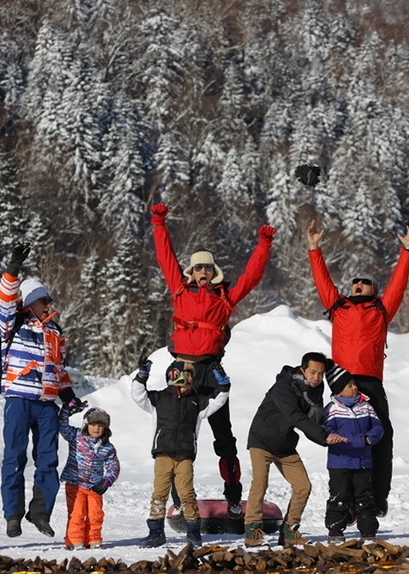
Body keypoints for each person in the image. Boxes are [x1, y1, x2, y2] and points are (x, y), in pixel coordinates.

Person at [149, 203, 275, 517]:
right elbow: (165, 255)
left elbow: (252, 277)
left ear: (213, 272)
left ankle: (233, 497)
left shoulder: (225, 298)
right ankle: (178, 500)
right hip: (182, 369)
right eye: (198, 268)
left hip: (211, 368)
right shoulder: (179, 289)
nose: (203, 272)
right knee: (179, 433)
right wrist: (159, 222)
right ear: (191, 272)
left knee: (224, 436)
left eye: (207, 268)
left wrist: (263, 245)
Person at [306, 218, 409, 516]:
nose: (358, 284)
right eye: (355, 282)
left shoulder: (381, 309)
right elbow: (322, 281)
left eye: (365, 283)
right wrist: (314, 248)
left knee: (382, 437)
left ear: (373, 290)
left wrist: (407, 251)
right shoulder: (338, 306)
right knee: (343, 441)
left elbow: (398, 285)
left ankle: (377, 497)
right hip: (342, 383)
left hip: (370, 383)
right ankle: (346, 501)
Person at [0, 243, 83, 538]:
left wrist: (69, 398)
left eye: (49, 299)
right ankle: (13, 515)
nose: (49, 303)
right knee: (15, 457)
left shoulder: (55, 330)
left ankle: (40, 512)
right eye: (43, 299)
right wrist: (13, 267)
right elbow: (4, 300)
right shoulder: (13, 323)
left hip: (47, 405)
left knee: (48, 460)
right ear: (30, 302)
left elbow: (59, 369)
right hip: (18, 399)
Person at [243, 352, 347, 547]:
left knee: (303, 486)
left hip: (285, 445)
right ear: (302, 370)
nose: (316, 378)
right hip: (262, 440)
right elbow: (295, 417)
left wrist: (327, 437)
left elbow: (312, 420)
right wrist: (324, 436)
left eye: (321, 374)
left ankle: (289, 531)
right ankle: (252, 530)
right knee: (260, 484)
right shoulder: (283, 386)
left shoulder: (316, 389)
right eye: (313, 372)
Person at [132, 356, 230, 548]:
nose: (189, 379)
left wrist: (224, 382)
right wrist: (142, 376)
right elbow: (138, 395)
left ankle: (194, 533)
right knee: (159, 493)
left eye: (191, 376)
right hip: (163, 454)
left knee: (186, 494)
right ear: (173, 375)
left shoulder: (198, 402)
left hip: (185, 456)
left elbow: (219, 400)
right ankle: (156, 532)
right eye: (186, 375)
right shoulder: (159, 398)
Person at [322, 362, 384, 543]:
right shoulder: (332, 409)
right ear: (339, 390)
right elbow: (331, 433)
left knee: (365, 496)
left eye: (354, 384)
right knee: (339, 496)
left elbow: (378, 426)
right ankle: (335, 531)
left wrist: (371, 438)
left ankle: (368, 532)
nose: (354, 387)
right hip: (340, 463)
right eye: (349, 385)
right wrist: (359, 440)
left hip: (363, 461)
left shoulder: (365, 406)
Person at [58, 405, 119, 550]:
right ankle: (74, 539)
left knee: (95, 514)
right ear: (86, 425)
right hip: (75, 484)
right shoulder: (76, 436)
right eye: (93, 425)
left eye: (100, 425)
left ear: (106, 428)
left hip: (95, 487)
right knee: (77, 513)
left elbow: (113, 466)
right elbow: (62, 425)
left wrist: (106, 481)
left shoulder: (107, 447)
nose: (96, 429)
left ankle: (93, 539)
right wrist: (66, 409)